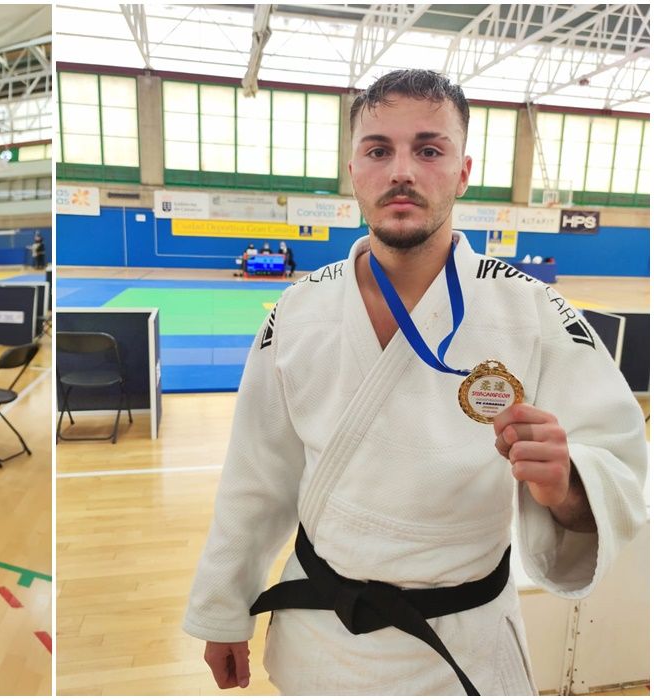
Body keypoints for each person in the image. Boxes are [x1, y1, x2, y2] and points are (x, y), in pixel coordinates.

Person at [185, 69, 646, 695]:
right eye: (379, 150)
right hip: (324, 640)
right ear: (354, 171)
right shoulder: (298, 312)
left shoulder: (533, 310)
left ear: (462, 171)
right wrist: (223, 609)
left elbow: (619, 461)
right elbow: (255, 477)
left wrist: (565, 485)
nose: (402, 169)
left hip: (465, 645)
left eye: (429, 149)